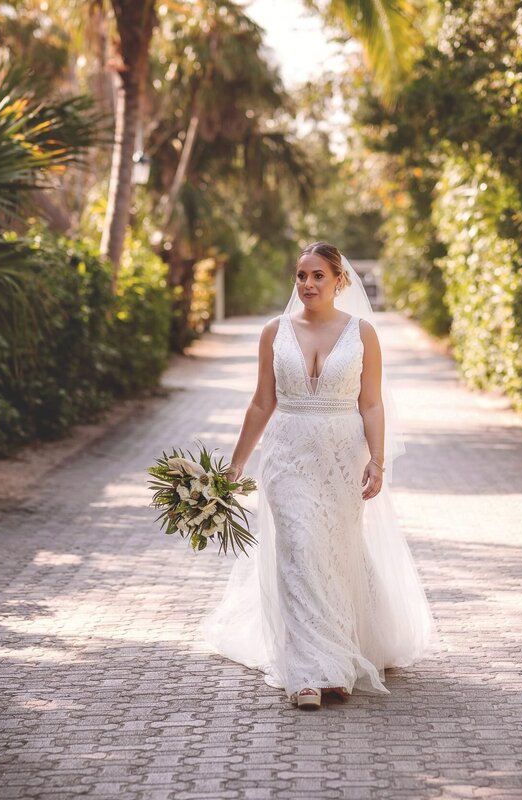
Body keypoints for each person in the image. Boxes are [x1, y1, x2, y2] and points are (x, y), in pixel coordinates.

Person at [200, 241, 439, 710]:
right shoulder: (274, 332)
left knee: (331, 553)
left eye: (317, 276)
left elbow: (370, 403)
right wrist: (235, 465)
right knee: (298, 551)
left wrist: (378, 460)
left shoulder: (362, 333)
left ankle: (339, 651)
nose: (307, 284)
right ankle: (310, 672)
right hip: (287, 456)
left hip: (339, 459)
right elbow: (261, 403)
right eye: (301, 276)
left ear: (338, 281)